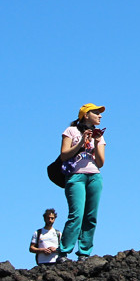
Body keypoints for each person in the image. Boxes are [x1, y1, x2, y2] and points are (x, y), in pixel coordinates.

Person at [57, 103, 107, 262]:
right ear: (86, 115)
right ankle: (64, 252)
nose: (100, 116)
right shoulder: (70, 131)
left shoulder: (99, 134)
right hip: (76, 176)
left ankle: (84, 253)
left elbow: (100, 162)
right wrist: (80, 143)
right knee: (76, 215)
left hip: (94, 176)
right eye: (96, 113)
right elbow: (64, 155)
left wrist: (97, 141)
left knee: (91, 216)